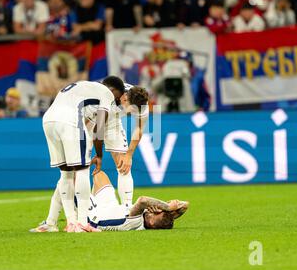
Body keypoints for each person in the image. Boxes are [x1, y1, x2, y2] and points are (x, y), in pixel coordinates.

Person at [32, 84, 151, 233]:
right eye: (131, 110)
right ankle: (52, 219)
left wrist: (129, 154)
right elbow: (93, 123)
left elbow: (139, 128)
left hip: (110, 122)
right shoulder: (109, 93)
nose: (131, 114)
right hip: (89, 117)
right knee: (74, 169)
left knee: (124, 165)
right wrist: (93, 148)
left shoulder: (142, 105)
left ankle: (127, 212)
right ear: (124, 98)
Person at [41, 77, 125, 233]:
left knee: (66, 173)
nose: (116, 102)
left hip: (48, 121)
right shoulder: (106, 93)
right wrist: (99, 155)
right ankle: (82, 222)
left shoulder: (82, 86)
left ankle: (70, 223)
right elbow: (99, 129)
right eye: (117, 98)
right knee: (82, 170)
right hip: (69, 121)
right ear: (112, 90)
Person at [31, 171, 189, 232]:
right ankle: (78, 201)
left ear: (153, 224)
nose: (156, 211)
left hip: (94, 216)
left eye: (158, 213)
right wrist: (172, 211)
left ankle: (52, 223)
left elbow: (143, 200)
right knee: (99, 174)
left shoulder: (136, 223)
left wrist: (167, 206)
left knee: (68, 178)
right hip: (111, 207)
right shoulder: (153, 219)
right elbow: (186, 205)